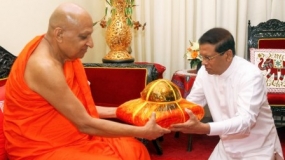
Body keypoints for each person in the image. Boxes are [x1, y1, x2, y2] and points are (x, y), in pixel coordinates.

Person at [3, 3, 170, 160]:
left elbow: (80, 109)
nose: (91, 43)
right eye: (84, 37)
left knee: (134, 149)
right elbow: (85, 124)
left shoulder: (63, 55)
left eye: (90, 35)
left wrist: (126, 111)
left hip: (72, 134)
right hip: (40, 147)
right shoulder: (44, 67)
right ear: (59, 34)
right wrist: (144, 131)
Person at [170, 28, 284, 160]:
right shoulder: (204, 72)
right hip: (226, 146)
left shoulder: (250, 75)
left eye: (208, 58)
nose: (203, 63)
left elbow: (245, 121)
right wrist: (167, 116)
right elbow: (192, 104)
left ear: (228, 55)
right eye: (202, 57)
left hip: (257, 147)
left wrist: (205, 128)